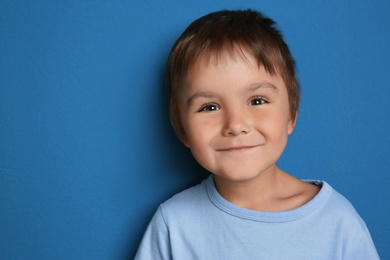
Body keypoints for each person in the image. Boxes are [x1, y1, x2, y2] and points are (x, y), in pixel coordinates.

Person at [135, 9, 379, 259]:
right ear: (181, 128)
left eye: (257, 100)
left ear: (291, 114)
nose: (236, 124)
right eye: (209, 107)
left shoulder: (337, 221)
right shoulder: (173, 224)